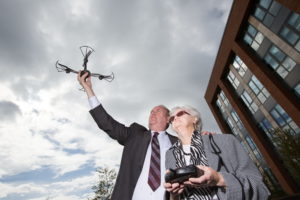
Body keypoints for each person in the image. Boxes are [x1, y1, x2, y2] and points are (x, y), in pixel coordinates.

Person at [77, 72, 178, 200]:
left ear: (168, 118)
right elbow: (106, 122)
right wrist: (88, 88)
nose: (152, 113)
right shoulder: (134, 134)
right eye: (151, 111)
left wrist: (203, 138)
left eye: (157, 111)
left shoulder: (178, 143)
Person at [164, 105, 270, 200]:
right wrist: (174, 195)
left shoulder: (224, 141)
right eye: (172, 118)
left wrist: (218, 179)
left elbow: (259, 187)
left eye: (180, 113)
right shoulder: (170, 155)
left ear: (194, 119)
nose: (175, 118)